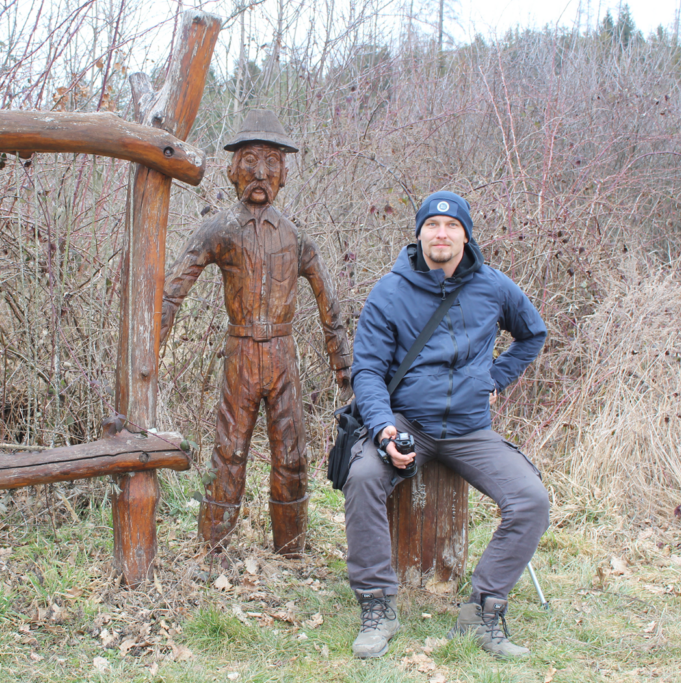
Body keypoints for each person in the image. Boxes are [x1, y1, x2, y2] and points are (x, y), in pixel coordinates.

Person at [343, 191, 549, 659]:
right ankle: (377, 604)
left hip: (470, 429)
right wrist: (383, 431)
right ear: (418, 234)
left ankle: (484, 610)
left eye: (451, 226)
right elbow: (368, 371)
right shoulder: (389, 291)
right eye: (432, 225)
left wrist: (496, 377)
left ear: (465, 235)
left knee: (530, 499)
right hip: (406, 420)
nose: (441, 233)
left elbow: (532, 333)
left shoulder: (493, 287)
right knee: (362, 478)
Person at [160, 110, 352, 557]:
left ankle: (291, 549)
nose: (260, 173)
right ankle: (214, 546)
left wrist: (342, 363)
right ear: (231, 169)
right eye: (249, 161)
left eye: (270, 162)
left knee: (291, 453)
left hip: (284, 355)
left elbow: (330, 304)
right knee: (229, 450)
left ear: (285, 172)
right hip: (241, 352)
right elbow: (173, 291)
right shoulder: (219, 229)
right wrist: (150, 350)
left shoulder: (297, 237)